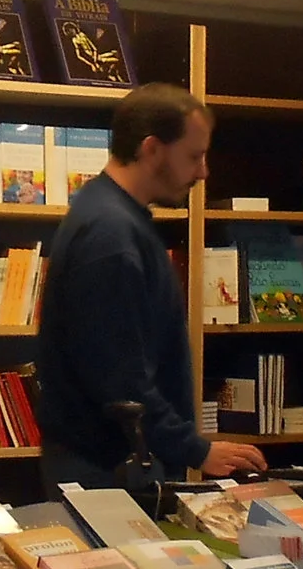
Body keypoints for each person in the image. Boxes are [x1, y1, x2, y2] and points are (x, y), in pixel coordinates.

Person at [37, 83, 271, 490]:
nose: (203, 172)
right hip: (107, 473)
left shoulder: (115, 218)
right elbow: (117, 378)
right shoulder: (110, 236)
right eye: (194, 157)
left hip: (115, 465)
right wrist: (196, 450)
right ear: (151, 149)